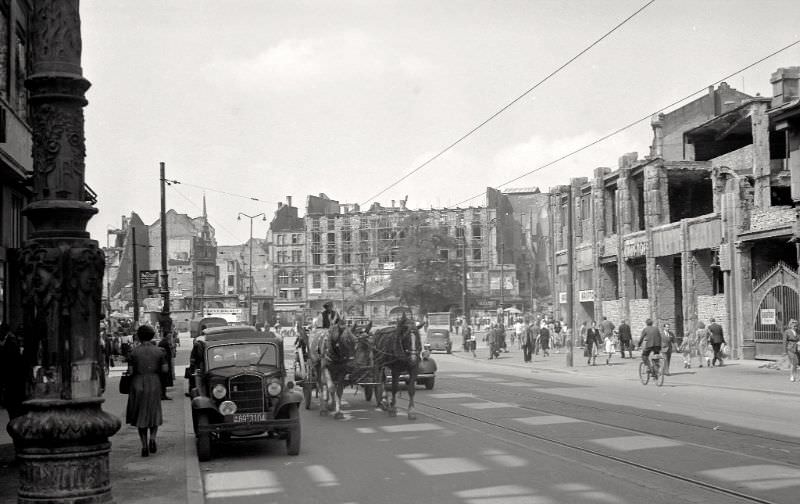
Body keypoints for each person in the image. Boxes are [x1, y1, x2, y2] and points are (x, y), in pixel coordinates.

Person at [126, 325, 169, 457]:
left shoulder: (133, 352)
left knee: (140, 415)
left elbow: (131, 371)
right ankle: (153, 439)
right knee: (153, 412)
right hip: (154, 383)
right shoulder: (159, 351)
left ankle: (144, 446)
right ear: (152, 336)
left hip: (138, 383)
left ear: (138, 336)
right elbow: (165, 370)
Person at [0, 324, 25, 419]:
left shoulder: (10, 344)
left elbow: (6, 364)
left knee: (13, 408)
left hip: (12, 381)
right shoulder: (12, 342)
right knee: (13, 408)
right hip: (14, 381)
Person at [157, 331, 174, 400]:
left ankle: (162, 394)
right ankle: (162, 395)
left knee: (164, 379)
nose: (170, 336)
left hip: (165, 362)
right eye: (169, 335)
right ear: (166, 335)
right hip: (164, 363)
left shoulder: (165, 342)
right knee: (163, 379)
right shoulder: (164, 342)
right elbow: (163, 353)